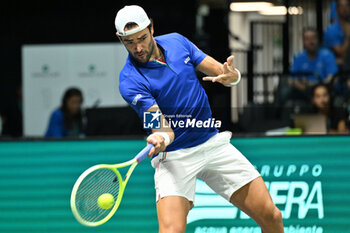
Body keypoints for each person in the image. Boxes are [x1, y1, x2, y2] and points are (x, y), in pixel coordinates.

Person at [116, 5, 283, 233]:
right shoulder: (129, 81)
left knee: (271, 215)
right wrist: (161, 138)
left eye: (142, 38)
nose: (138, 47)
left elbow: (221, 72)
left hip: (212, 144)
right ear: (120, 40)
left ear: (151, 28)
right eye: (129, 42)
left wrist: (234, 77)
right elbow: (165, 129)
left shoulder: (177, 42)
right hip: (175, 157)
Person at [324, 0, 350, 67]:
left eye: (347, 5)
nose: (344, 9)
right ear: (336, 9)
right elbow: (341, 55)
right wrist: (348, 36)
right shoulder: (331, 30)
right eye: (342, 6)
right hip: (339, 71)